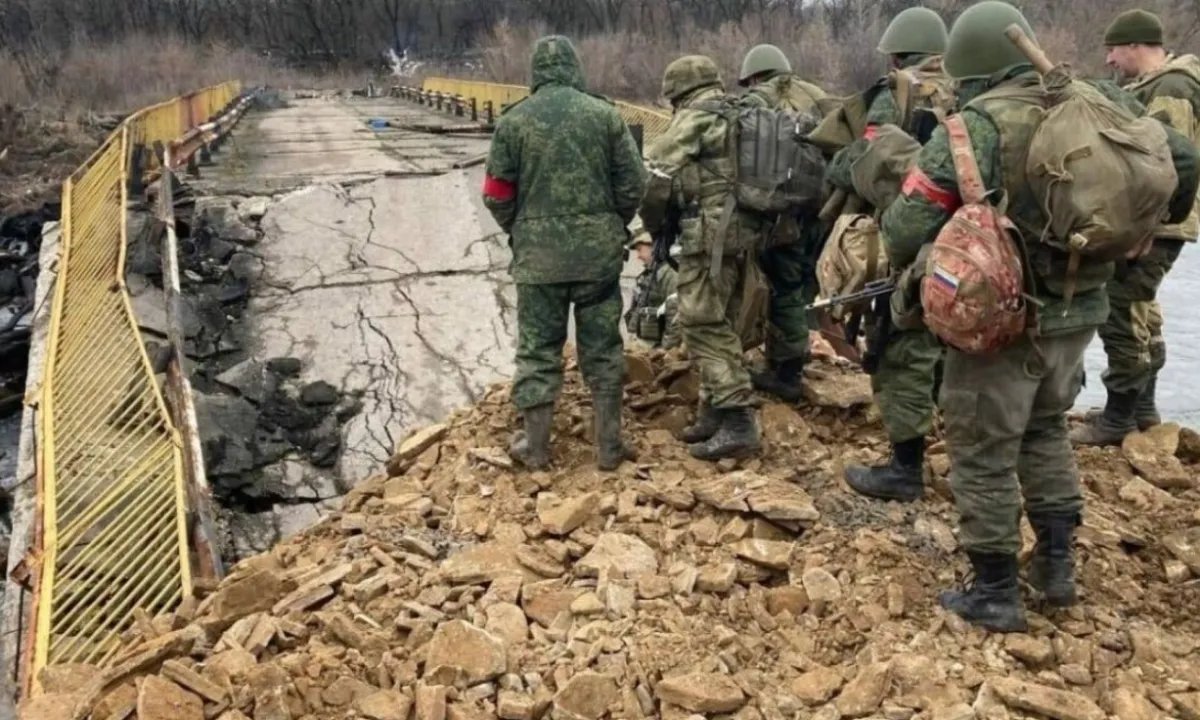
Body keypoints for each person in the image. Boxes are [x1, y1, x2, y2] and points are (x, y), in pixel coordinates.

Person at [881, 1, 1198, 631]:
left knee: (982, 447)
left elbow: (905, 228)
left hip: (998, 321)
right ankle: (1056, 570)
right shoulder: (1098, 101)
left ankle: (994, 590)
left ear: (972, 65)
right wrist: (1146, 233)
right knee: (1045, 429)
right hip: (1080, 312)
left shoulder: (975, 126)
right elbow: (1184, 159)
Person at [482, 35, 645, 471]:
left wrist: (522, 231)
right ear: (576, 68)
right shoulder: (605, 115)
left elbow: (496, 194)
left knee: (537, 351)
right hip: (598, 259)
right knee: (603, 349)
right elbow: (634, 183)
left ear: (535, 72)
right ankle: (609, 448)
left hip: (539, 262)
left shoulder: (514, 122)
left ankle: (535, 449)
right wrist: (613, 224)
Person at [825, 6, 951, 502]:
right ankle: (948, 434)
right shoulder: (972, 88)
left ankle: (905, 467)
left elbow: (865, 158)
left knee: (901, 344)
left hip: (912, 229)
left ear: (897, 52)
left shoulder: (898, 91)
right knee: (949, 337)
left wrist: (836, 168)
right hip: (973, 242)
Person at [1071, 8, 1200, 445]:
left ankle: (1118, 416)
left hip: (1157, 224)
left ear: (1134, 46)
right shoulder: (1154, 85)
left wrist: (1144, 227)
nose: (1108, 60)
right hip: (1156, 222)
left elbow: (1168, 165)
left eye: (1113, 50)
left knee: (1121, 308)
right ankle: (1143, 409)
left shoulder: (1173, 88)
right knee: (1143, 309)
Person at [640, 55, 766, 460]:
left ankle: (738, 419)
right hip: (745, 233)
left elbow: (655, 170)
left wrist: (653, 224)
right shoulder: (743, 112)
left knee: (699, 322)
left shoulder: (696, 118)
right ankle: (713, 413)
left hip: (708, 237)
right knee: (722, 317)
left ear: (678, 92)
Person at [738, 44, 828, 403]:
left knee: (783, 288)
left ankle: (787, 374)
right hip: (822, 208)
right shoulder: (818, 95)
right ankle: (793, 354)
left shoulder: (759, 99)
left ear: (756, 76)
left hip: (782, 212)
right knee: (805, 282)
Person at [624, 229, 681, 350]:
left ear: (653, 247)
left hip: (661, 347)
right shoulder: (650, 274)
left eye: (640, 250)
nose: (638, 256)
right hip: (648, 343)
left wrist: (666, 350)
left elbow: (676, 316)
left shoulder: (670, 273)